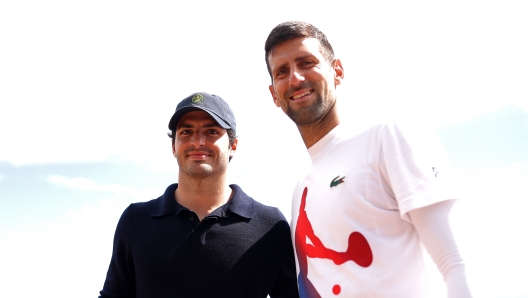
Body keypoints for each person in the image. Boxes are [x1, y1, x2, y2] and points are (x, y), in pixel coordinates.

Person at [264, 21, 473, 297]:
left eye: (306, 62)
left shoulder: (387, 137)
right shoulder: (299, 190)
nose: (295, 78)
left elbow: (456, 263)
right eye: (282, 71)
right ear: (274, 96)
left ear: (337, 71)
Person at [99, 92, 299, 298]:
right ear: (173, 146)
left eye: (211, 131)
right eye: (186, 132)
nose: (197, 142)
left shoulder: (269, 225)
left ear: (233, 146)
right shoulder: (135, 221)